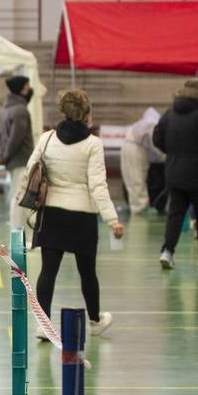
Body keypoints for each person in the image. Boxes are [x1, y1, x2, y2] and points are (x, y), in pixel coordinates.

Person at [23, 89, 124, 339]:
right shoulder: (93, 144)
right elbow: (98, 185)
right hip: (82, 216)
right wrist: (112, 219)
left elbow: (30, 169)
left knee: (48, 271)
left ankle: (43, 326)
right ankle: (95, 320)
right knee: (87, 271)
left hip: (52, 214)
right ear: (86, 114)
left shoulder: (47, 138)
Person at [153, 79, 198, 269]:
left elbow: (157, 138)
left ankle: (167, 251)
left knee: (175, 215)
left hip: (174, 173)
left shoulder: (168, 115)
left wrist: (173, 153)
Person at [0, 75, 36, 230]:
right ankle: (20, 232)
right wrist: (6, 155)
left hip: (13, 160)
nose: (29, 89)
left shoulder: (6, 109)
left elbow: (0, 136)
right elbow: (16, 138)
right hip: (21, 160)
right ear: (21, 88)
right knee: (20, 197)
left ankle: (18, 230)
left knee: (16, 194)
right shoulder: (21, 110)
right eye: (26, 86)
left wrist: (3, 155)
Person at [119, 108, 164, 214]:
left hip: (134, 149)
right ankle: (139, 207)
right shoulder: (152, 123)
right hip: (135, 150)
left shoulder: (145, 122)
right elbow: (154, 145)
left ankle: (138, 206)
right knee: (136, 179)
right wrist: (163, 156)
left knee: (134, 179)